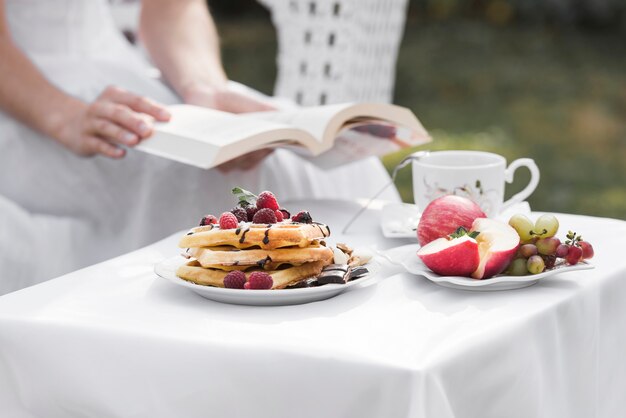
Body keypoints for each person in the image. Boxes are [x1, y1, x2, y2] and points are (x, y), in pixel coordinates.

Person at [0, 0, 399, 295]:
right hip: (24, 100)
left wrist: (204, 89)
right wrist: (64, 116)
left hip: (122, 76)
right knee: (177, 172)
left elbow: (173, 9)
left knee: (325, 166)